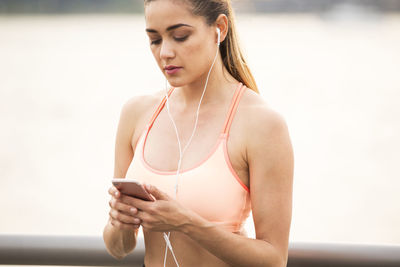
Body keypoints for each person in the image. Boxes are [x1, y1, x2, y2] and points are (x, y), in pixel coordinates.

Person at [103, 0, 294, 266]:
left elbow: (274, 259)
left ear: (220, 28)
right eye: (155, 40)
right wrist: (121, 222)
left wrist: (186, 222)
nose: (165, 53)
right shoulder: (137, 114)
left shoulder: (261, 123)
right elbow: (118, 247)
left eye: (180, 36)